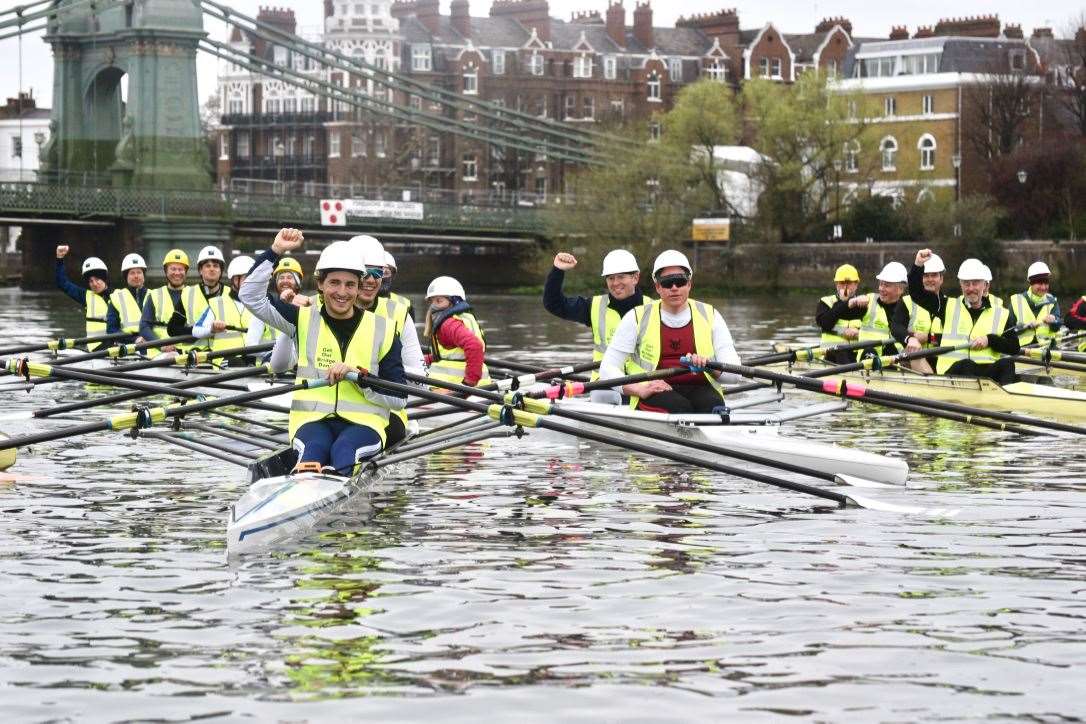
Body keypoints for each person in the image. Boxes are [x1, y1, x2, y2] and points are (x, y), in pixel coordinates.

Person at [240, 229, 406, 475]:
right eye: (334, 283)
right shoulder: (301, 318)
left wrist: (360, 378)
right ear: (320, 284)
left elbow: (399, 398)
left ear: (359, 286)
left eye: (350, 284)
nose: (342, 292)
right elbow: (249, 296)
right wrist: (275, 251)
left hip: (365, 425)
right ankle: (305, 483)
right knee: (313, 449)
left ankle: (334, 481)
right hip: (312, 421)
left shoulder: (383, 329)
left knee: (344, 450)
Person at [599, 249, 742, 413]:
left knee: (712, 405)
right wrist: (639, 389)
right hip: (654, 389)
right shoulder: (636, 317)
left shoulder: (711, 315)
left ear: (689, 284)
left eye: (680, 281)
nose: (674, 288)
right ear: (658, 287)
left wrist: (708, 366)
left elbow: (734, 376)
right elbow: (607, 369)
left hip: (700, 387)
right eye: (667, 282)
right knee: (680, 407)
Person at [543, 249, 646, 401]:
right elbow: (553, 304)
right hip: (605, 385)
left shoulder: (654, 308)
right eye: (610, 278)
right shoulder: (594, 306)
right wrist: (558, 270)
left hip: (643, 385)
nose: (616, 283)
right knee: (604, 394)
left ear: (635, 277)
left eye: (621, 277)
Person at [911, 252, 1021, 384]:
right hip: (953, 373)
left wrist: (989, 340)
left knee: (1007, 363)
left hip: (986, 375)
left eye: (975, 284)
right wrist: (918, 265)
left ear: (985, 285)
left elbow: (1014, 348)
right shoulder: (946, 306)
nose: (970, 288)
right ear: (960, 285)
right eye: (966, 284)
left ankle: (1007, 400)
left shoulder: (1002, 314)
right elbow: (916, 292)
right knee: (967, 364)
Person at [423, 276, 490, 388]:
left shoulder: (449, 324)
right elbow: (452, 354)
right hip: (481, 385)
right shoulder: (464, 317)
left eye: (439, 301)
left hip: (454, 388)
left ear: (454, 301)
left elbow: (474, 346)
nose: (433, 306)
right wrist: (426, 359)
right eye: (432, 301)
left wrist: (468, 384)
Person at [191, 255, 255, 355]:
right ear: (235, 280)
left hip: (254, 363)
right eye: (246, 278)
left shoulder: (261, 305)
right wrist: (212, 329)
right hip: (224, 363)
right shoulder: (217, 303)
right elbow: (196, 330)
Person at [54, 245, 113, 350]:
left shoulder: (118, 295)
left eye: (97, 279)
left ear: (104, 278)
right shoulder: (85, 296)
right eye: (90, 281)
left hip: (118, 348)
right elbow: (62, 283)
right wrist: (60, 259)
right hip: (96, 350)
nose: (94, 284)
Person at [138, 248, 190, 355]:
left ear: (186, 271)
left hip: (186, 354)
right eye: (173, 269)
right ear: (166, 271)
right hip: (159, 355)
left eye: (180, 269)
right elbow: (144, 326)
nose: (177, 273)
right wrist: (161, 345)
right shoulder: (154, 295)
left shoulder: (194, 294)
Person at [177, 245, 227, 348]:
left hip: (222, 356)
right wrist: (202, 331)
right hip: (194, 356)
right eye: (207, 266)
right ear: (200, 270)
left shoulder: (230, 293)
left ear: (221, 270)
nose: (212, 269)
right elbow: (173, 329)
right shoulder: (188, 293)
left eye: (216, 266)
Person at [815, 264, 864, 364]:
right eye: (842, 283)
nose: (845, 287)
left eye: (849, 283)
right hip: (831, 354)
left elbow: (875, 330)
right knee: (841, 350)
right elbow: (825, 324)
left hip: (858, 353)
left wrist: (859, 333)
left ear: (856, 284)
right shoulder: (826, 302)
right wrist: (844, 303)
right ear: (836, 284)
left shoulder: (865, 304)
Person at [1008, 261, 1062, 346]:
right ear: (1031, 283)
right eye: (1040, 283)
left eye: (1046, 283)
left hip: (1048, 349)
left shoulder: (1052, 301)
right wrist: (1025, 327)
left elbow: (1058, 326)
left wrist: (1054, 321)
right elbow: (1008, 331)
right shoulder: (1016, 301)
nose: (1044, 287)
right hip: (1023, 352)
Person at [108, 253, 148, 341]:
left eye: (139, 272)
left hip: (152, 345)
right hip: (128, 347)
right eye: (132, 273)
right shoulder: (116, 297)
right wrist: (134, 339)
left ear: (143, 275)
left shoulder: (153, 295)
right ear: (126, 277)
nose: (136, 276)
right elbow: (111, 331)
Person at [380, 250, 414, 319]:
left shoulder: (405, 305)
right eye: (378, 272)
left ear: (393, 276)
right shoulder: (356, 301)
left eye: (386, 272)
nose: (382, 277)